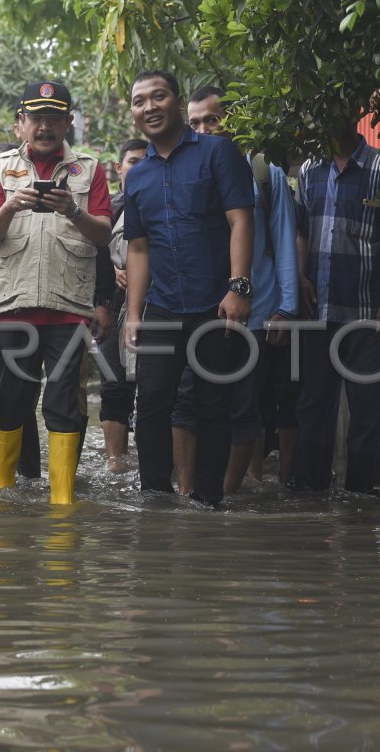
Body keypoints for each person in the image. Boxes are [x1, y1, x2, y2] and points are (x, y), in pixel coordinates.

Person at [0, 80, 112, 505]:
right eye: (36, 117)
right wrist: (11, 205)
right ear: (21, 124)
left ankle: (62, 500)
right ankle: (4, 492)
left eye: (54, 117)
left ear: (69, 122)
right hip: (11, 306)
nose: (45, 126)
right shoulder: (0, 167)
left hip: (68, 307)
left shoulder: (89, 168)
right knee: (9, 402)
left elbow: (105, 235)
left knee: (62, 403)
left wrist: (73, 210)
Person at [122, 71, 256, 508]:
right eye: (140, 101)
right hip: (162, 305)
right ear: (134, 114)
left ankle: (208, 500)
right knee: (153, 402)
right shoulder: (137, 175)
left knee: (213, 404)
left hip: (214, 304)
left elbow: (240, 220)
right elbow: (138, 248)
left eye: (158, 97)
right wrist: (135, 312)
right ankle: (155, 499)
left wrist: (238, 287)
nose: (150, 107)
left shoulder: (217, 152)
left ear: (177, 101)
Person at [184, 86, 299, 492]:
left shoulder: (264, 174)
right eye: (195, 123)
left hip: (254, 312)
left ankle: (228, 495)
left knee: (243, 406)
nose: (204, 129)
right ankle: (195, 489)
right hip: (197, 309)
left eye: (212, 120)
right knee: (192, 404)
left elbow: (284, 242)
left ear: (233, 122)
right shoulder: (187, 170)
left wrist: (286, 308)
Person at [291, 117, 380, 494]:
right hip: (317, 310)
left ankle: (360, 496)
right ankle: (313, 494)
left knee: (367, 410)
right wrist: (301, 278)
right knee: (314, 407)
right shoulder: (309, 169)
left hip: (367, 313)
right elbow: (302, 231)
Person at [99, 138, 148, 473]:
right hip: (110, 306)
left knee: (152, 386)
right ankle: (116, 461)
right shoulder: (108, 206)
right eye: (132, 161)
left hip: (153, 307)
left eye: (146, 161)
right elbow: (90, 245)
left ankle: (151, 459)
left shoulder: (160, 200)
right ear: (119, 168)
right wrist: (112, 269)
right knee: (113, 384)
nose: (139, 167)